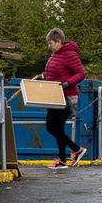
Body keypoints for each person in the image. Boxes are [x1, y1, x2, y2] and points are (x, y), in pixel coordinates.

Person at [40, 27, 88, 167]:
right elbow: (56, 71)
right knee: (56, 128)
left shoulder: (69, 54)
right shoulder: (55, 55)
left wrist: (67, 83)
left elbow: (81, 73)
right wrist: (44, 76)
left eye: (51, 43)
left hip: (66, 97)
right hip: (55, 95)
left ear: (58, 41)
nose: (49, 46)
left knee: (52, 127)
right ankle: (64, 159)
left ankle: (76, 150)